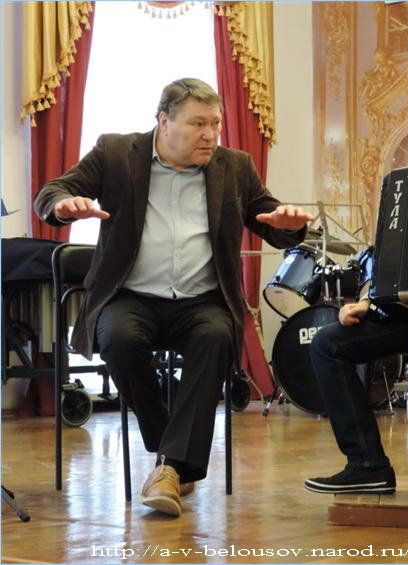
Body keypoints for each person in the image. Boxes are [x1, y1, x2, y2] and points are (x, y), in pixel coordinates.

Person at [35, 78, 313, 517]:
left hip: (201, 302)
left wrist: (291, 225)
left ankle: (167, 467)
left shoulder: (235, 166)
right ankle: (172, 456)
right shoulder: (115, 153)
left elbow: (268, 218)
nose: (210, 134)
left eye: (215, 124)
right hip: (130, 296)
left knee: (217, 337)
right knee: (119, 340)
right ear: (164, 122)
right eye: (198, 124)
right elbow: (51, 192)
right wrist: (62, 205)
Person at [305, 126, 408, 495]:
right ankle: (367, 465)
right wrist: (369, 300)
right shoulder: (406, 189)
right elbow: (388, 257)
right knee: (328, 344)